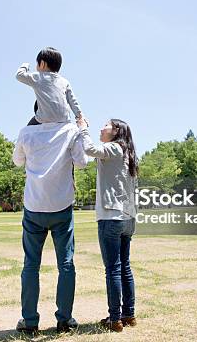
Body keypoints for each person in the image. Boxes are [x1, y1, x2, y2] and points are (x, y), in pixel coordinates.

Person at [12, 119, 88, 334]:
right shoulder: (70, 130)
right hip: (61, 206)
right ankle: (64, 320)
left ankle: (29, 321)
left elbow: (18, 161)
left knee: (30, 265)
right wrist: (81, 130)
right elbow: (82, 162)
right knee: (66, 265)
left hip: (34, 206)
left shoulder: (26, 132)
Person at [77, 117, 138, 332]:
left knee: (113, 268)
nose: (101, 128)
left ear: (116, 131)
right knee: (125, 268)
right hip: (128, 218)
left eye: (106, 125)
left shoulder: (113, 147)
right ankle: (129, 315)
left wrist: (82, 128)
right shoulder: (128, 153)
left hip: (111, 217)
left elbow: (90, 149)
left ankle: (115, 319)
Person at [16, 47, 84, 126]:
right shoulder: (64, 81)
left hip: (44, 118)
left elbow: (19, 75)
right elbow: (73, 101)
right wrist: (80, 117)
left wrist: (25, 65)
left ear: (42, 64)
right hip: (64, 120)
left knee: (28, 130)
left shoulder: (38, 76)